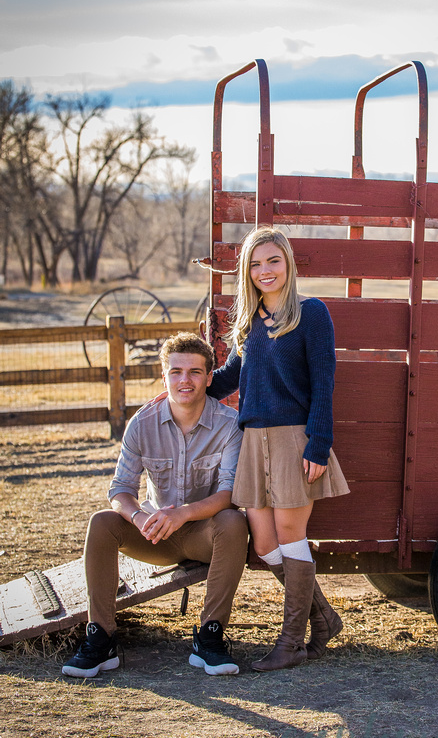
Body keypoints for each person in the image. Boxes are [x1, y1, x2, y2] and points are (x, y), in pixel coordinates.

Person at [62, 333, 248, 679]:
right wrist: (139, 516)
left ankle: (210, 637)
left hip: (202, 533)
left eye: (195, 372)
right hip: (155, 533)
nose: (185, 380)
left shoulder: (228, 426)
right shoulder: (142, 423)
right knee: (102, 522)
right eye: (175, 372)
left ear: (210, 378)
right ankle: (101, 637)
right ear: (164, 375)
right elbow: (120, 489)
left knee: (234, 521)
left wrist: (184, 514)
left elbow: (229, 494)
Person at [207, 226, 349, 672]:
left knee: (291, 538)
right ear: (245, 272)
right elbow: (229, 379)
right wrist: (184, 390)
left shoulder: (312, 314)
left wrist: (319, 445)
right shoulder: (248, 324)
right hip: (253, 442)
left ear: (287, 264)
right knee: (265, 543)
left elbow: (324, 384)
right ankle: (323, 617)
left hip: (294, 440)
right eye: (255, 263)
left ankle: (291, 645)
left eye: (273, 261)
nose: (264, 271)